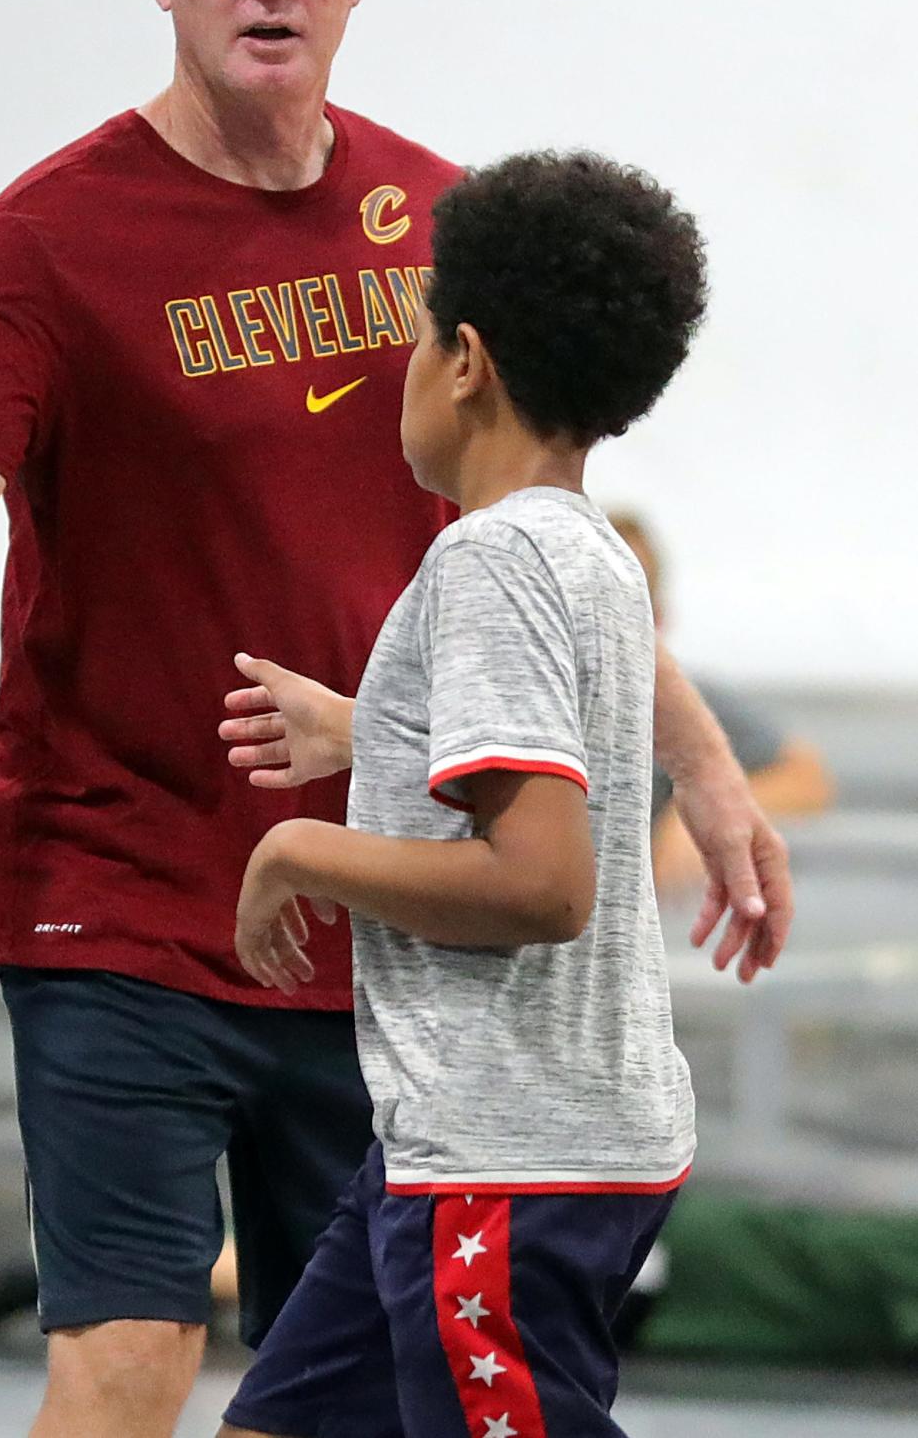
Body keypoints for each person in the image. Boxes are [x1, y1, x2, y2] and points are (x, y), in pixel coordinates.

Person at [0, 0, 791, 1438]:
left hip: (372, 918)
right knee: (129, 1351)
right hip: (127, 892)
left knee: (352, 1393)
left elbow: (553, 529)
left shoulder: (446, 232)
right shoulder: (51, 238)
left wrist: (710, 769)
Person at [217, 149, 708, 1438]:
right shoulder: (589, 555)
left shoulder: (491, 561)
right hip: (448, 1144)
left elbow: (539, 884)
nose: (403, 366)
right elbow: (511, 765)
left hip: (507, 1163)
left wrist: (298, 853)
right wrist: (362, 735)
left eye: (418, 332)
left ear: (468, 361)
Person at [609, 512, 834, 898]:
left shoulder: (688, 701)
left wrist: (703, 814)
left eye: (628, 603)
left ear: (658, 619)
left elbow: (807, 776)